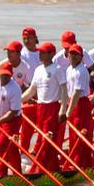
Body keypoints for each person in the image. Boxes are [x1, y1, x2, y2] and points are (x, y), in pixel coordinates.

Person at [21, 41, 68, 173]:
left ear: (52, 54)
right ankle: (50, 168)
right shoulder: (38, 70)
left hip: (52, 107)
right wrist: (17, 101)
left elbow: (64, 90)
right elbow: (31, 90)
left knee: (47, 139)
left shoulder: (58, 69)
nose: (40, 54)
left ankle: (41, 169)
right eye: (39, 52)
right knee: (42, 138)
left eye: (43, 52)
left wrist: (63, 110)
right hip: (40, 108)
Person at [0, 63, 23, 171]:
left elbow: (13, 111)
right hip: (0, 117)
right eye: (2, 75)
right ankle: (14, 170)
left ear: (11, 75)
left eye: (7, 75)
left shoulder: (15, 88)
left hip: (12, 120)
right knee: (3, 146)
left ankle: (2, 172)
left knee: (3, 145)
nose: (4, 78)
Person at [61, 45, 94, 167]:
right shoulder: (69, 69)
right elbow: (68, 90)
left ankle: (83, 165)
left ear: (81, 57)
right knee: (73, 136)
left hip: (81, 105)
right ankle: (75, 162)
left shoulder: (81, 70)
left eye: (76, 54)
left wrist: (67, 112)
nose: (73, 56)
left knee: (80, 136)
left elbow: (76, 93)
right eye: (71, 53)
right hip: (73, 103)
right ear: (68, 55)